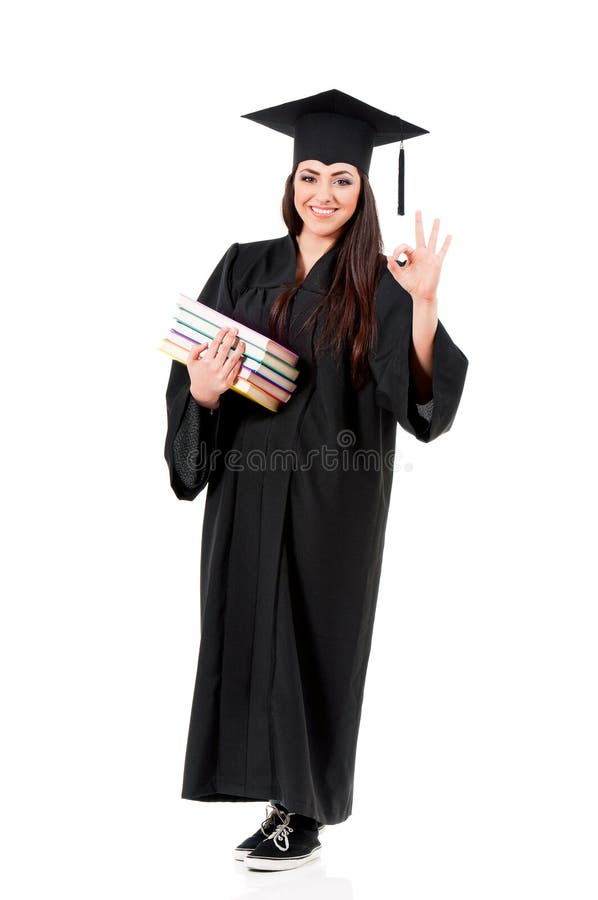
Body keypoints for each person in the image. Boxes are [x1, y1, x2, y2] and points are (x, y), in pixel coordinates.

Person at [163, 89, 469, 872]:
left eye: (341, 178)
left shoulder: (381, 283)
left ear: (364, 189)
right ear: (290, 181)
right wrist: (202, 393)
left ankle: (301, 814)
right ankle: (264, 796)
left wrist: (426, 303)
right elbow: (193, 376)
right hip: (248, 483)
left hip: (336, 497)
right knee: (245, 630)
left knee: (316, 642)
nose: (322, 193)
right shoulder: (243, 264)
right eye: (309, 175)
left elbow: (421, 404)